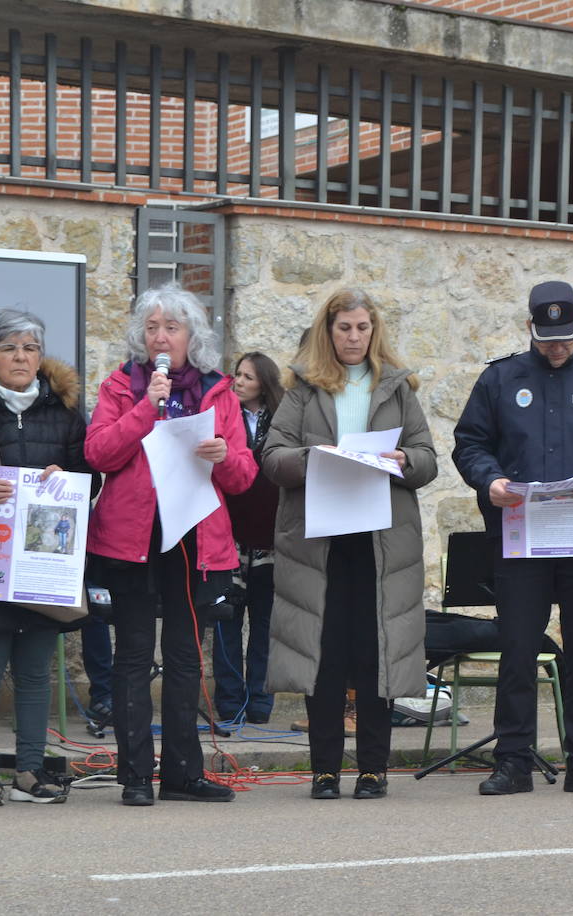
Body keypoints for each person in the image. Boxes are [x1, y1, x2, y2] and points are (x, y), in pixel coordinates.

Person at [453, 280, 573, 796]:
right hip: (521, 539)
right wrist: (489, 479)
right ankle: (513, 760)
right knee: (518, 649)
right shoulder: (499, 379)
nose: (557, 347)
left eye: (565, 337)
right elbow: (470, 443)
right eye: (546, 338)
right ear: (529, 329)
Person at [85, 283, 256, 806]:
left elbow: (245, 477)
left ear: (191, 336)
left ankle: (183, 773)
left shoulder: (217, 391)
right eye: (152, 326)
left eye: (172, 327)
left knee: (185, 658)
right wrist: (143, 409)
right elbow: (99, 454)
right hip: (131, 540)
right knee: (134, 657)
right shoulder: (121, 386)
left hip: (193, 539)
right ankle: (136, 775)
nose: (161, 336)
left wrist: (224, 454)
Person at [263, 288, 438, 800]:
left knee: (373, 654)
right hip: (320, 542)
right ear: (329, 331)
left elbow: (427, 458)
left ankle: (372, 769)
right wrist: (315, 456)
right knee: (326, 655)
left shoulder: (399, 388)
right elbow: (272, 458)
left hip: (381, 544)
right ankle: (323, 769)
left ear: (374, 331)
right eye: (345, 328)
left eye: (362, 328)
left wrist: (404, 460)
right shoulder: (302, 388)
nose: (354, 337)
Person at [0, 309, 95, 806]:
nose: (20, 357)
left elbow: (90, 477)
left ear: (41, 357)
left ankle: (30, 772)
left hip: (41, 562)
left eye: (30, 348)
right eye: (10, 347)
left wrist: (69, 481)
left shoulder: (65, 413)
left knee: (36, 672)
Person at [215, 352, 285, 725]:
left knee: (265, 623)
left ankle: (260, 701)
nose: (238, 381)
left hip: (271, 537)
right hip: (230, 533)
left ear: (265, 383)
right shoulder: (224, 416)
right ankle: (228, 699)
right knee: (226, 619)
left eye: (248, 377)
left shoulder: (283, 421)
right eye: (237, 374)